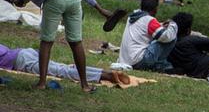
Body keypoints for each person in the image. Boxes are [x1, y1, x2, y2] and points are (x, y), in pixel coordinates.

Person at [0, 43, 129, 85]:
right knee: (63, 67)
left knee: (61, 71)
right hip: (24, 53)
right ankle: (103, 73)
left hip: (21, 60)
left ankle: (105, 76)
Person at [117, 0, 178, 72]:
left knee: (159, 36)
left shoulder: (132, 16)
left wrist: (161, 25)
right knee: (171, 35)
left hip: (125, 60)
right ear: (155, 9)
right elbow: (166, 37)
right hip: (138, 61)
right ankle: (159, 65)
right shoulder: (149, 20)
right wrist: (173, 24)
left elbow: (144, 28)